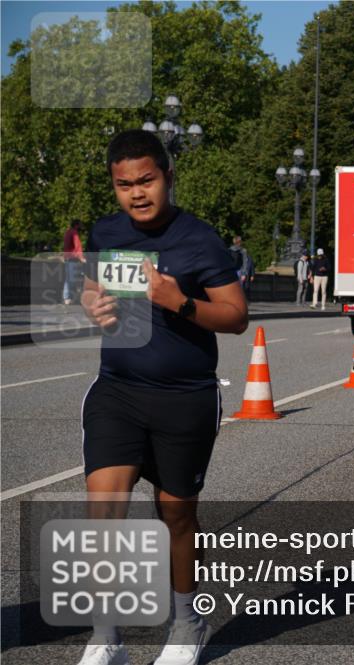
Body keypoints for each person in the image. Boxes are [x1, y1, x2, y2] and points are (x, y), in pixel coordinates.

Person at [77, 129, 248, 665]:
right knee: (103, 511)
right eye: (124, 184)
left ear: (167, 177)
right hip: (118, 390)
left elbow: (237, 316)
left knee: (176, 516)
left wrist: (179, 301)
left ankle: (187, 624)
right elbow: (92, 287)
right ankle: (106, 639)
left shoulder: (199, 240)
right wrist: (91, 303)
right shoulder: (106, 232)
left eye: (146, 180)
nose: (136, 193)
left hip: (184, 398)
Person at [63, 220, 86, 305]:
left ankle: (68, 298)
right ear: (76, 225)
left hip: (67, 258)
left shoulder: (67, 232)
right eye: (80, 225)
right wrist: (81, 258)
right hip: (73, 259)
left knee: (69, 278)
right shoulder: (74, 233)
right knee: (74, 279)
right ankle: (68, 297)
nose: (81, 227)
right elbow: (78, 246)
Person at [229, 235, 254, 302]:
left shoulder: (240, 250)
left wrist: (244, 273)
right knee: (237, 286)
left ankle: (237, 299)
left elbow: (245, 262)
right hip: (236, 270)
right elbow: (245, 262)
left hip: (236, 270)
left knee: (237, 286)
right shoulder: (232, 250)